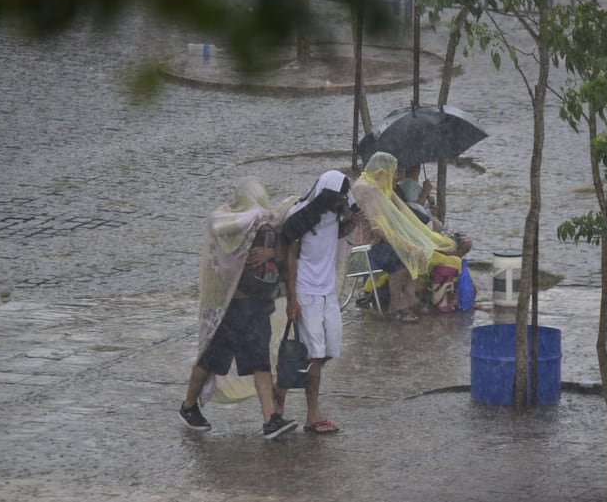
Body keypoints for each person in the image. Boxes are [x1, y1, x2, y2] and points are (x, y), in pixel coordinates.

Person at [178, 177, 299, 440]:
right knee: (210, 360)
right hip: (229, 310)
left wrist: (271, 254)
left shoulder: (261, 225)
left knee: (260, 362)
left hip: (256, 307)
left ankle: (271, 420)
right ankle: (188, 406)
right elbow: (223, 261)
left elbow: (280, 218)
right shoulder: (228, 226)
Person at [280, 170, 360, 434]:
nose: (340, 199)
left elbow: (335, 236)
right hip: (306, 293)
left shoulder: (333, 215)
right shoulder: (300, 215)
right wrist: (292, 300)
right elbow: (291, 257)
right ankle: (311, 414)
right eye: (337, 194)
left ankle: (282, 391)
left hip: (328, 293)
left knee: (327, 352)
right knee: (314, 353)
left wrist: (352, 220)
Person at [351, 152, 458, 321]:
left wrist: (423, 234)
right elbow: (379, 229)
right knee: (401, 255)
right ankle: (396, 305)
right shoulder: (367, 189)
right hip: (363, 251)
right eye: (394, 173)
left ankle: (410, 297)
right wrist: (405, 245)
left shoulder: (377, 186)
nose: (397, 178)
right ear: (381, 172)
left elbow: (401, 213)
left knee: (418, 248)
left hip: (376, 245)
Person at [396, 164, 472, 258]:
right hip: (427, 228)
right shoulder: (408, 185)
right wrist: (425, 192)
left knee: (464, 243)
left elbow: (418, 208)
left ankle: (449, 259)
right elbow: (414, 210)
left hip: (432, 224)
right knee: (465, 243)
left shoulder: (410, 185)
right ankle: (448, 259)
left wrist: (430, 206)